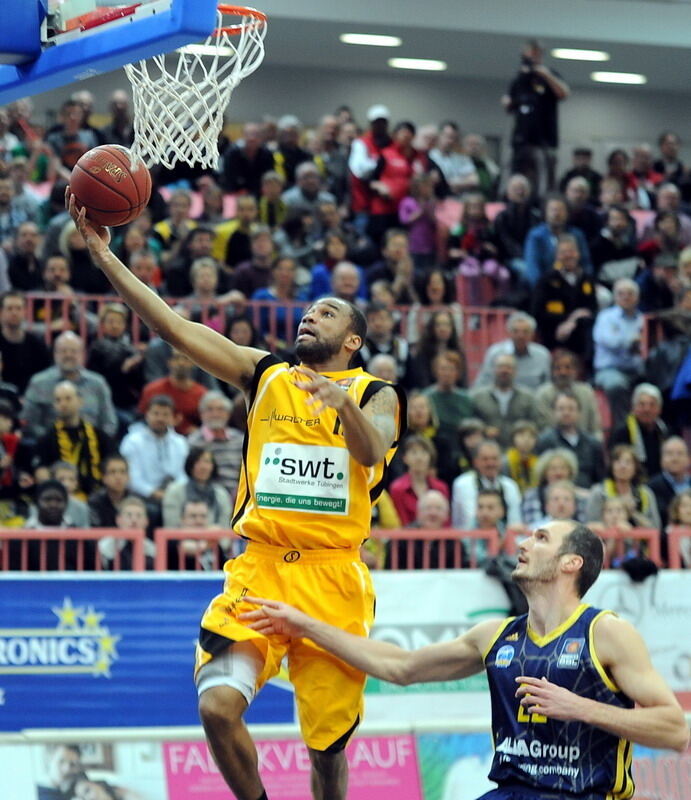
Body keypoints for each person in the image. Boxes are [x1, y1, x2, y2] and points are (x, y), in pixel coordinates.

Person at [65, 189, 406, 800]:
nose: (310, 317)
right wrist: (105, 257)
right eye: (308, 312)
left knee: (327, 750)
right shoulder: (268, 373)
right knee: (218, 707)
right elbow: (172, 326)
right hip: (260, 571)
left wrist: (341, 407)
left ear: (353, 341)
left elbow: (372, 451)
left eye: (327, 314)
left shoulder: (375, 392)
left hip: (333, 582)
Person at [243, 519, 689, 799]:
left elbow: (675, 728)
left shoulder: (606, 633)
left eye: (540, 537)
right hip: (511, 792)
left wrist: (580, 708)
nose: (524, 542)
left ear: (572, 562)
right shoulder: (495, 635)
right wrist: (306, 626)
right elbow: (400, 667)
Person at [502, 40, 570, 195]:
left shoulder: (549, 75)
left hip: (544, 137)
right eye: (530, 53)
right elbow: (510, 103)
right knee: (517, 173)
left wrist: (545, 74)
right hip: (522, 137)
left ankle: (544, 201)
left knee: (544, 177)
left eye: (536, 53)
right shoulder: (519, 79)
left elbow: (564, 93)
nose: (532, 57)